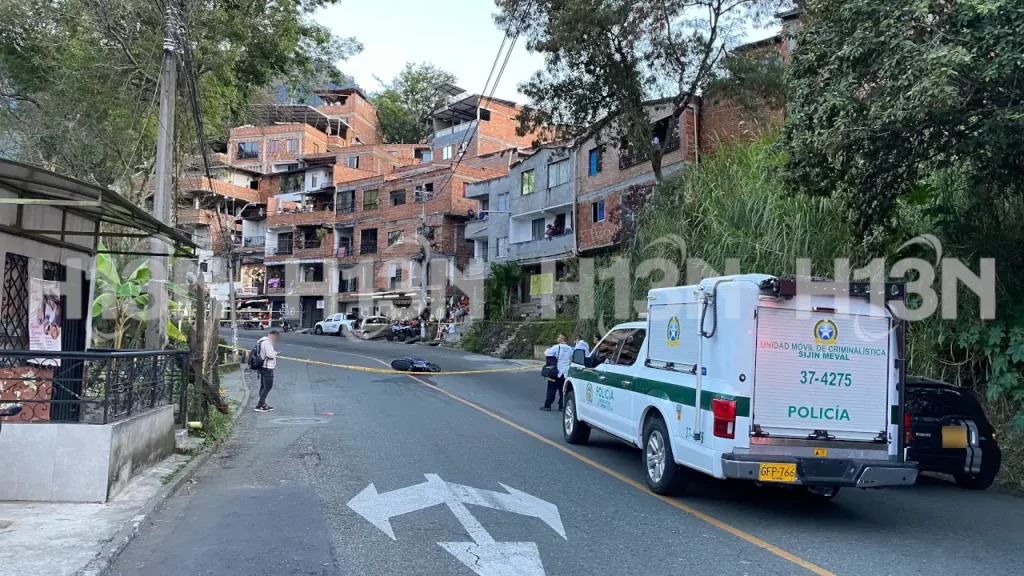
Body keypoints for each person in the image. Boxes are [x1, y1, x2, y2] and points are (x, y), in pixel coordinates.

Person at [541, 334, 573, 412]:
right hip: (565, 373)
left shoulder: (556, 347)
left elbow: (547, 353)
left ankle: (547, 405)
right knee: (563, 391)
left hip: (556, 372)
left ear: (562, 339)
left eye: (558, 337)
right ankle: (562, 406)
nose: (557, 338)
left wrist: (548, 349)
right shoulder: (570, 348)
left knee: (551, 389)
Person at [255, 330, 279, 412]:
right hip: (267, 367)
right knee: (268, 386)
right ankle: (261, 403)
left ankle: (262, 403)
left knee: (263, 386)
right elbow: (270, 355)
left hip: (262, 366)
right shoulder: (268, 343)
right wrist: (275, 353)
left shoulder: (261, 341)